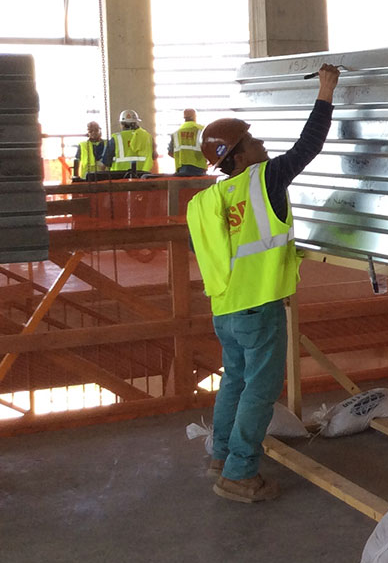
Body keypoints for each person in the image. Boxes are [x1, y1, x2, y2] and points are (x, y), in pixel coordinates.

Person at [185, 64, 340, 503]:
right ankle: (238, 473)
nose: (262, 144)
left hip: (226, 310)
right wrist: (326, 93)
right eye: (252, 142)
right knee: (260, 390)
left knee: (235, 381)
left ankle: (220, 454)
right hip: (259, 307)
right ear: (235, 156)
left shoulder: (213, 198)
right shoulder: (264, 179)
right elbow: (308, 147)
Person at [102, 109, 154, 175]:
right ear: (136, 123)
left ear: (122, 124)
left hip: (119, 178)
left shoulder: (116, 138)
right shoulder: (147, 137)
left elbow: (106, 162)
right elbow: (153, 156)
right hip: (142, 176)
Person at [169, 108, 208, 176]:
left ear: (184, 118)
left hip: (181, 169)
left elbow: (170, 152)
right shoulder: (202, 130)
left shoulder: (176, 133)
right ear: (195, 117)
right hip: (199, 167)